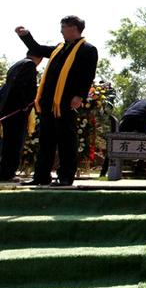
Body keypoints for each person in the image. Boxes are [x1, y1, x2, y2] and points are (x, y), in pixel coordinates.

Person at [16, 16, 98, 186]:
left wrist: (79, 95)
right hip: (48, 102)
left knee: (66, 141)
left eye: (63, 27)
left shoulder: (87, 49)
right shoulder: (58, 48)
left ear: (74, 28)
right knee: (46, 141)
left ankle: (66, 177)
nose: (61, 30)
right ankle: (41, 176)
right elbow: (37, 48)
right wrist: (25, 35)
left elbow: (88, 75)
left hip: (66, 102)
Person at [0, 51, 42, 181]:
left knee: (8, 143)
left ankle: (5, 171)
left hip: (8, 108)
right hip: (17, 111)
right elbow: (20, 86)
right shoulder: (29, 65)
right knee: (14, 143)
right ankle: (8, 173)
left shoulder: (17, 64)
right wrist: (24, 104)